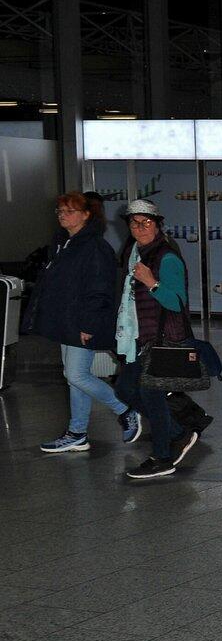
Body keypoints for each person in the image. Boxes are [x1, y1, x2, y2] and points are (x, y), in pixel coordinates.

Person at [29, 192, 141, 453]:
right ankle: (77, 432)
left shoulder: (94, 247)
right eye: (60, 211)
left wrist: (88, 325)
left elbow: (100, 288)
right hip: (67, 321)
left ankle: (125, 409)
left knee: (76, 374)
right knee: (74, 378)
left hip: (81, 322)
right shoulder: (63, 243)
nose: (62, 215)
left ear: (86, 215)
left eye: (69, 211)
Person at [111, 199, 201, 480]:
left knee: (152, 396)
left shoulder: (166, 257)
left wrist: (152, 282)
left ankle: (162, 457)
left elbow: (177, 303)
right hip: (138, 338)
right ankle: (178, 432)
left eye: (146, 222)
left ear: (158, 225)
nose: (140, 228)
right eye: (134, 223)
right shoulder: (133, 253)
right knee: (126, 389)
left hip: (160, 340)